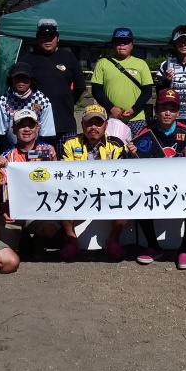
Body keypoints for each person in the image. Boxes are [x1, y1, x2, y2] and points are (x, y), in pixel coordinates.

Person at [126, 89, 186, 270]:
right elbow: (137, 168)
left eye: (172, 109)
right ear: (157, 110)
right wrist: (133, 154)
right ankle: (153, 246)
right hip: (154, 185)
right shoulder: (145, 132)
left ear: (177, 112)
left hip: (182, 185)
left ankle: (185, 249)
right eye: (163, 108)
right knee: (138, 195)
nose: (167, 113)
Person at [59, 104, 128, 261]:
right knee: (60, 194)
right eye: (89, 123)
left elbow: (122, 175)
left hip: (108, 190)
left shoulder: (117, 144)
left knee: (126, 196)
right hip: (77, 190)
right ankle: (71, 239)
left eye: (98, 123)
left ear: (106, 125)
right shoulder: (69, 143)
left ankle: (113, 240)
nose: (93, 127)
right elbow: (65, 174)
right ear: (82, 124)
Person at [0, 109, 60, 260]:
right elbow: (3, 187)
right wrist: (4, 209)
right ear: (13, 129)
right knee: (6, 251)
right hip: (14, 209)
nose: (26, 129)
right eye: (21, 125)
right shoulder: (6, 156)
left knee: (50, 228)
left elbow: (57, 181)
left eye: (30, 125)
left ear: (37, 128)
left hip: (40, 206)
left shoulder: (48, 150)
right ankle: (23, 239)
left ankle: (35, 241)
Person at [19, 18, 87, 152]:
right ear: (38, 38)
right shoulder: (27, 61)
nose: (48, 40)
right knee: (38, 165)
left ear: (58, 38)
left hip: (64, 124)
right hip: (37, 126)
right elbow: (18, 89)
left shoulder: (69, 58)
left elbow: (80, 87)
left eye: (51, 36)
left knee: (67, 163)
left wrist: (66, 100)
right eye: (44, 36)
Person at [91, 27, 154, 137]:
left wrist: (134, 109)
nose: (121, 45)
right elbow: (96, 90)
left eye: (125, 42)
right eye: (118, 42)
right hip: (111, 118)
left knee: (139, 151)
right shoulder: (103, 63)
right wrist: (111, 108)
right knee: (112, 152)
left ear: (132, 45)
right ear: (113, 44)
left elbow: (147, 91)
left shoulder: (141, 64)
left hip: (136, 118)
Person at [0, 62, 55, 151]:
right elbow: (0, 132)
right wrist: (9, 154)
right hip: (11, 148)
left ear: (31, 80)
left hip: (36, 149)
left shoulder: (43, 101)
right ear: (11, 80)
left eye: (25, 78)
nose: (21, 82)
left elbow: (46, 133)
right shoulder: (3, 101)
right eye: (17, 78)